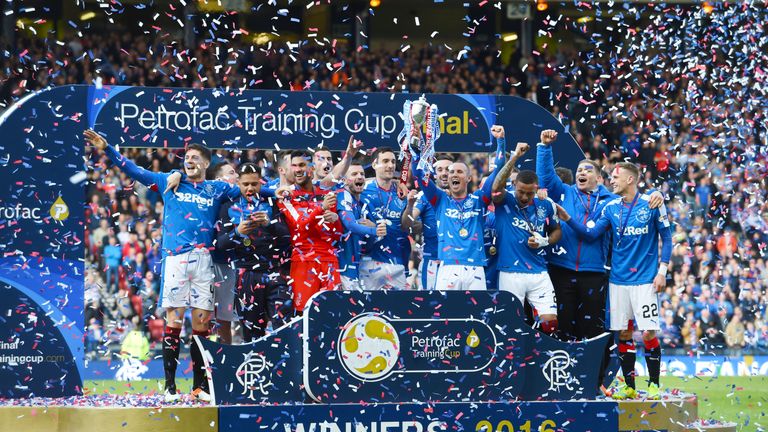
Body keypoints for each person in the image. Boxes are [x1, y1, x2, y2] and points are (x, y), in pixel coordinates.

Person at [84, 129, 241, 403]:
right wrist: (107, 149)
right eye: (186, 157)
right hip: (176, 259)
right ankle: (169, 386)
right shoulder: (169, 183)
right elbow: (134, 170)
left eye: (194, 157)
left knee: (203, 323)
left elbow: (251, 187)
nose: (188, 161)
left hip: (204, 260)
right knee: (174, 321)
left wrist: (281, 189)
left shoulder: (217, 189)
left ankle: (198, 386)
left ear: (205, 163)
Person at [557, 161, 673, 401]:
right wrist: (568, 219)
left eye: (616, 178)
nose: (611, 181)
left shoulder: (651, 204)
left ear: (630, 180)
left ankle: (653, 384)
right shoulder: (610, 207)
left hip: (644, 281)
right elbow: (591, 234)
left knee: (649, 334)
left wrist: (662, 271)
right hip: (617, 281)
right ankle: (629, 386)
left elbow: (667, 238)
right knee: (623, 334)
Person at [410, 125, 507, 291]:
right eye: (451, 172)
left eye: (459, 172)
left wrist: (501, 141)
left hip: (475, 268)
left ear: (469, 178)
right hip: (448, 267)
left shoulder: (479, 199)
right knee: (445, 314)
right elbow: (419, 174)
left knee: (476, 314)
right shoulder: (439, 200)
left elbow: (499, 170)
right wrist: (416, 150)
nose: (453, 174)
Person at [216, 162, 292, 341]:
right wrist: (238, 232)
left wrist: (269, 224)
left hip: (276, 273)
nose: (250, 188)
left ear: (260, 183)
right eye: (245, 184)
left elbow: (288, 237)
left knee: (284, 328)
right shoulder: (227, 207)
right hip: (246, 275)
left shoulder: (273, 204)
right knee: (252, 333)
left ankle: (284, 368)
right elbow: (220, 243)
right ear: (238, 184)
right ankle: (256, 367)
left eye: (254, 184)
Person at [492, 161, 562, 334]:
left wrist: (544, 241)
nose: (524, 197)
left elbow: (557, 231)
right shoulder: (505, 200)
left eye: (529, 193)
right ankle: (516, 357)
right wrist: (514, 157)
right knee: (510, 323)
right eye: (521, 192)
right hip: (510, 272)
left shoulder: (546, 204)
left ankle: (537, 354)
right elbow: (495, 188)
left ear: (536, 188)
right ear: (513, 184)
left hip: (539, 271)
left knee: (550, 324)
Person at [277, 150, 343, 312]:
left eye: (302, 165)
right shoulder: (287, 195)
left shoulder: (326, 195)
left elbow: (337, 235)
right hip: (303, 262)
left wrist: (335, 221)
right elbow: (300, 226)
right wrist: (321, 208)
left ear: (312, 168)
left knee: (333, 314)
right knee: (303, 315)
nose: (298, 169)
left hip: (329, 261)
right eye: (294, 166)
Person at [359, 148, 410, 290]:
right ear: (374, 165)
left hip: (397, 262)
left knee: (399, 309)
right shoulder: (362, 190)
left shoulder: (401, 192)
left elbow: (408, 224)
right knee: (367, 310)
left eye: (393, 161)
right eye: (385, 161)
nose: (390, 165)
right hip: (370, 261)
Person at [402, 155, 453, 290]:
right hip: (433, 261)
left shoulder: (465, 199)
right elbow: (407, 224)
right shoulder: (424, 197)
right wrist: (409, 206)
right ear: (434, 175)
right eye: (440, 170)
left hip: (458, 263)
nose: (444, 173)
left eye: (448, 169)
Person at [338, 159, 387, 290]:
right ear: (343, 180)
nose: (359, 176)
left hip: (358, 269)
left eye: (362, 174)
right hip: (343, 269)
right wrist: (374, 231)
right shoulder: (343, 195)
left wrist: (372, 231)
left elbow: (367, 246)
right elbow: (350, 225)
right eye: (354, 174)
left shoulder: (361, 204)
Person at [208, 162, 239, 344]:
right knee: (203, 317)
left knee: (224, 321)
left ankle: (224, 365)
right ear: (219, 180)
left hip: (229, 264)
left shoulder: (237, 200)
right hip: (207, 263)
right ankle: (201, 365)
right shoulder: (210, 198)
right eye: (232, 172)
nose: (236, 175)